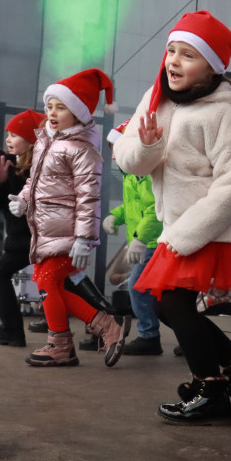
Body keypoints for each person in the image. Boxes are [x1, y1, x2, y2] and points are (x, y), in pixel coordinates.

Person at [113, 10, 231, 426]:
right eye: (171, 51)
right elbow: (130, 161)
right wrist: (147, 146)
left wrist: (185, 234)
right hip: (177, 229)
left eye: (188, 55)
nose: (173, 61)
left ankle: (214, 387)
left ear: (212, 68)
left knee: (171, 304)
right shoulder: (157, 100)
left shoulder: (221, 114)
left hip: (204, 231)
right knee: (170, 307)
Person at [9, 68, 129, 368]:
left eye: (61, 107)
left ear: (77, 112)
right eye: (50, 106)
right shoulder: (48, 142)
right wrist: (23, 201)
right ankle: (103, 326)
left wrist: (84, 238)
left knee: (48, 282)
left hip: (65, 231)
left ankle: (61, 343)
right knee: (53, 285)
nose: (51, 112)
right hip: (46, 229)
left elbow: (89, 196)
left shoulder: (81, 149)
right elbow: (34, 181)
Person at [0, 109, 46, 347]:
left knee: (0, 273)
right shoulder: (7, 163)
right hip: (25, 238)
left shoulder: (41, 164)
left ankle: (12, 331)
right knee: (62, 281)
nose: (8, 139)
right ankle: (101, 320)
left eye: (14, 134)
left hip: (35, 237)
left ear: (31, 139)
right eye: (7, 134)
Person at [103, 120, 165, 356]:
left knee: (138, 288)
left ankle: (149, 336)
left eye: (117, 151)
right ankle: (184, 336)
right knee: (159, 295)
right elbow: (132, 208)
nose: (114, 158)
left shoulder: (146, 176)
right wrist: (115, 217)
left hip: (150, 242)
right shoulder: (133, 176)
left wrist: (139, 239)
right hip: (145, 241)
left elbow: (153, 211)